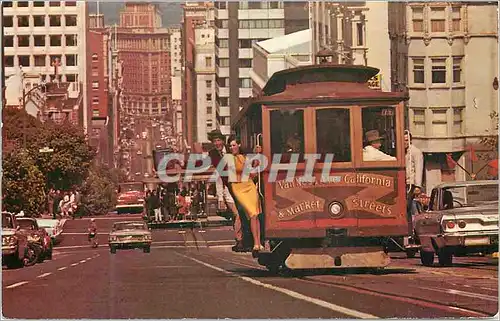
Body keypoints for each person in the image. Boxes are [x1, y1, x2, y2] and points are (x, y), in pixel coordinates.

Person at [207, 129, 245, 252]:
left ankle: (242, 239)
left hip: (240, 186)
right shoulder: (212, 154)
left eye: (218, 140)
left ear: (223, 141)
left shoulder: (231, 149)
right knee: (237, 214)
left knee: (241, 214)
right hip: (227, 190)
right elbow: (218, 176)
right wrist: (220, 197)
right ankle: (239, 240)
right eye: (214, 141)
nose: (217, 143)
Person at [227, 136, 264, 253]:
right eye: (230, 146)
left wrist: (257, 157)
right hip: (238, 188)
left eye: (233, 145)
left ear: (239, 145)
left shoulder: (245, 157)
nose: (232, 147)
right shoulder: (229, 158)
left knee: (255, 214)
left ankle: (257, 243)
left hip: (249, 185)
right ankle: (256, 243)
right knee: (252, 213)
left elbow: (252, 174)